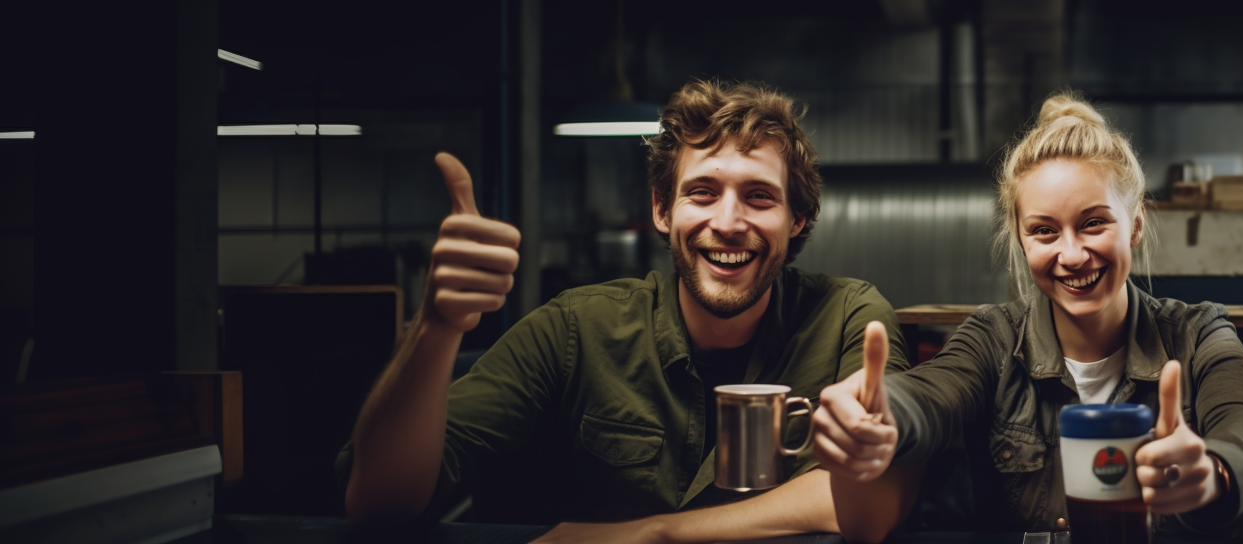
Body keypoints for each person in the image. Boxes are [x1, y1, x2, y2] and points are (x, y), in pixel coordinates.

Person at [340, 79, 911, 543]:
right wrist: (436, 326)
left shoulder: (847, 316)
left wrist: (653, 533)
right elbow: (378, 505)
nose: (729, 221)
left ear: (797, 221)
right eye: (702, 192)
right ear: (662, 210)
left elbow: (866, 504)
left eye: (760, 196)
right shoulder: (573, 330)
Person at [810, 92, 1243, 543]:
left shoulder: (1198, 332)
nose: (1072, 254)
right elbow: (936, 391)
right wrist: (879, 411)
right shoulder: (992, 338)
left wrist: (1213, 473)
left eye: (1093, 223)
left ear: (1136, 224)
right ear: (1021, 240)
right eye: (1044, 231)